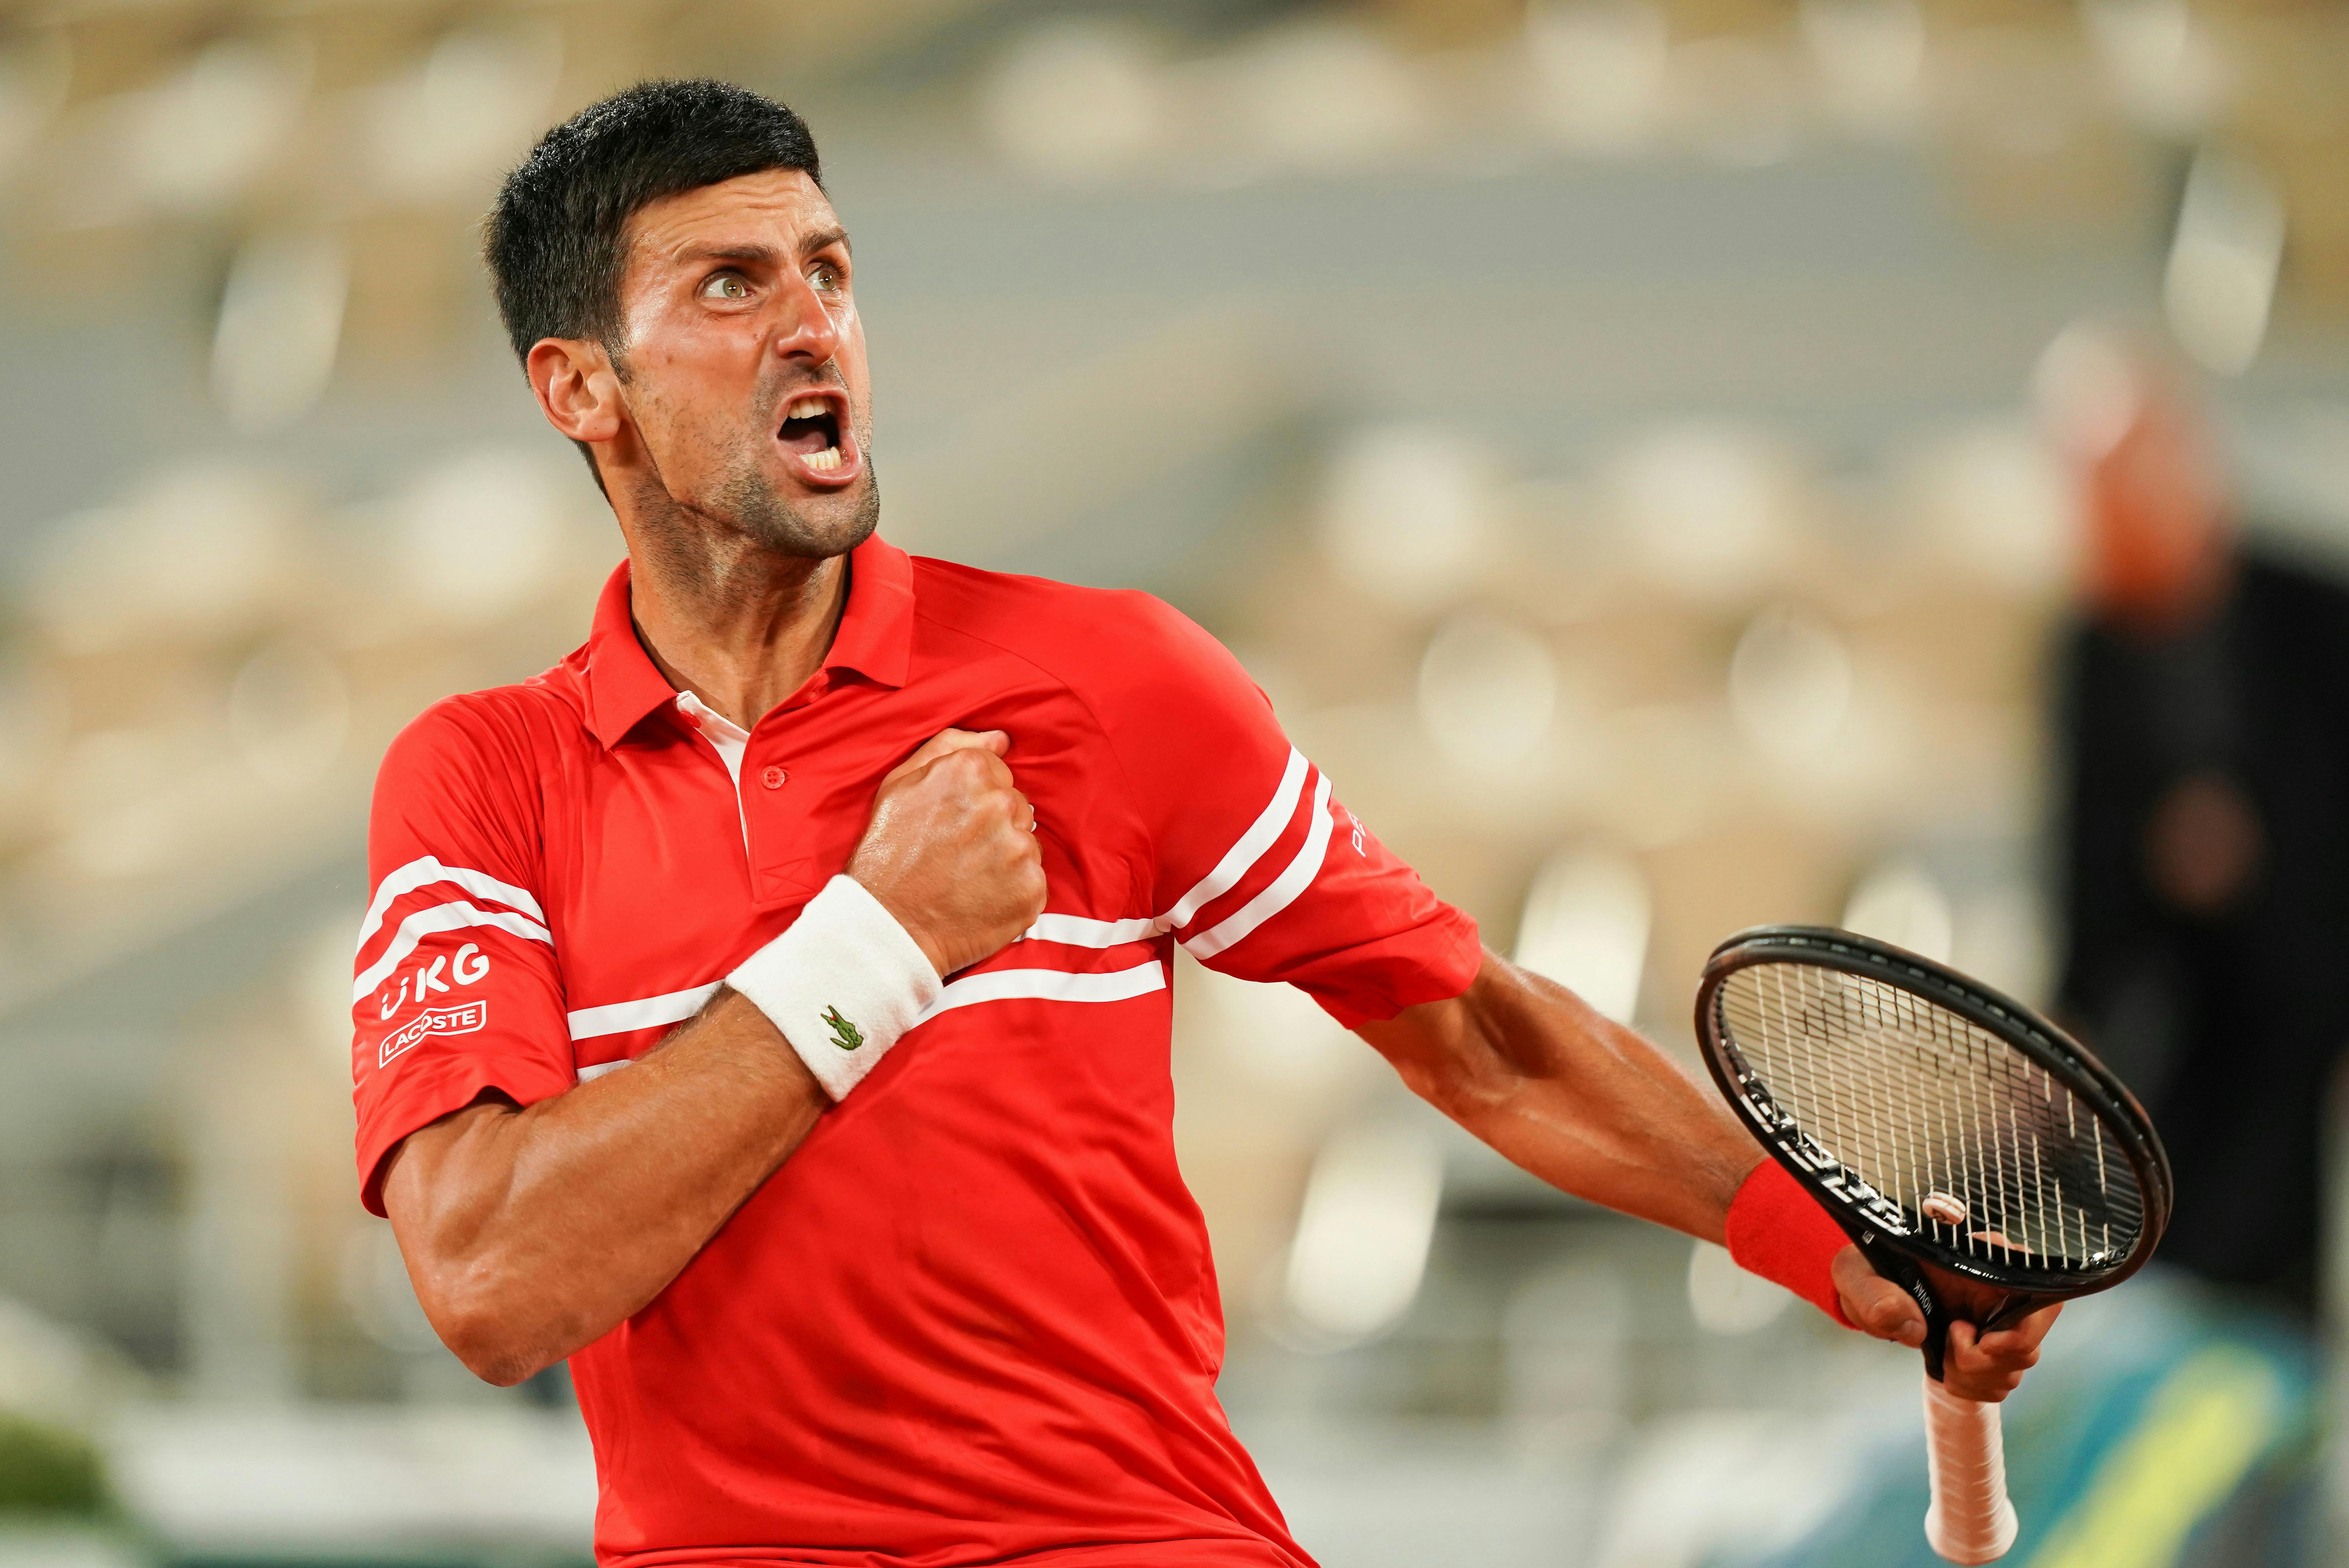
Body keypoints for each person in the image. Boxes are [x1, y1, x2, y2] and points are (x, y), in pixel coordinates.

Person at [353, 80, 2054, 1568]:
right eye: (732, 285)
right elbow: (496, 1281)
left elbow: (1476, 1033)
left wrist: (1814, 1241)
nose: (814, 326)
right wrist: (878, 942)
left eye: (833, 272)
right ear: (581, 388)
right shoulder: (483, 778)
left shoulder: (1109, 678)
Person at [2048, 329, 2349, 1315]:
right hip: (2174, 1003)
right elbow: (2082, 850)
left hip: (2314, 972)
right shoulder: (2093, 648)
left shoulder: (2314, 614)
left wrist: (2252, 839)